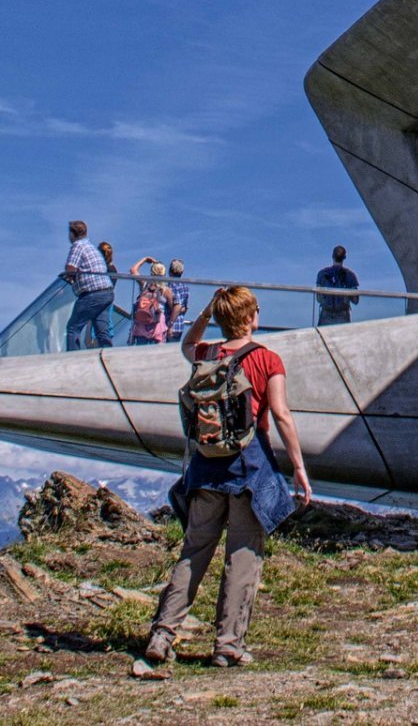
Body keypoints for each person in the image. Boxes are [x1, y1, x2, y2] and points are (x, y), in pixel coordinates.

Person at [145, 286, 313, 669]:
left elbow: (186, 345)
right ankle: (227, 646)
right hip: (248, 470)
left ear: (221, 318)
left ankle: (162, 634)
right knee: (243, 556)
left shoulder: (207, 354)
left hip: (205, 470)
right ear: (251, 316)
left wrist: (206, 314)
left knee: (194, 551)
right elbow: (282, 415)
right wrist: (299, 469)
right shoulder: (266, 359)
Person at [61, 220, 114, 350]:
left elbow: (70, 268)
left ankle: (73, 360)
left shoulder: (78, 246)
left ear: (73, 234)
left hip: (92, 293)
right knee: (102, 333)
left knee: (73, 328)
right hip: (107, 292)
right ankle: (110, 358)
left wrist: (70, 278)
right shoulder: (90, 247)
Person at [125, 256, 174, 346]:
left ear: (152, 272)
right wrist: (170, 324)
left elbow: (133, 270)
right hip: (158, 323)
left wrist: (145, 259)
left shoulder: (145, 284)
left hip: (142, 321)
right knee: (157, 353)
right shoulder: (166, 290)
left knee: (141, 350)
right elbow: (172, 309)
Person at [313, 246, 358, 327]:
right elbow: (355, 300)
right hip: (343, 314)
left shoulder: (322, 274)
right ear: (344, 257)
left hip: (326, 313)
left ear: (332, 256)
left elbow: (319, 299)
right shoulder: (350, 275)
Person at [165, 259, 191, 339]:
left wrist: (170, 325)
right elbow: (185, 308)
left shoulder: (171, 285)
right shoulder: (185, 286)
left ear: (169, 270)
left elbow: (178, 306)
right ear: (182, 272)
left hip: (171, 326)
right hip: (180, 326)